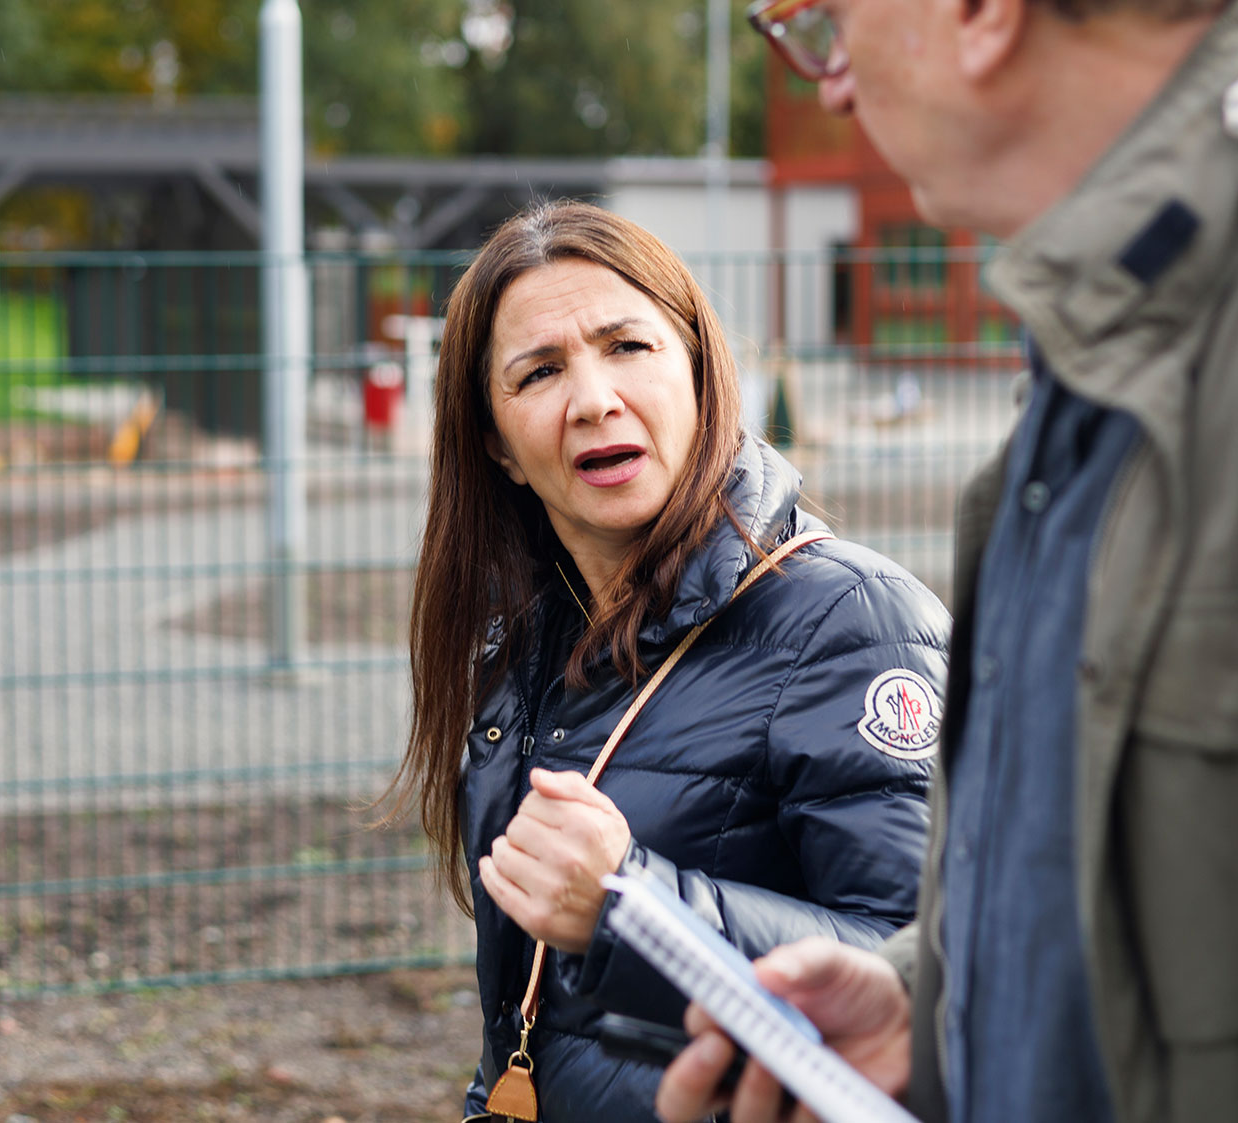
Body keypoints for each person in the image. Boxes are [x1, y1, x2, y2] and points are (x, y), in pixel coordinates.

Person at [658, 0, 1238, 1120]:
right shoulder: (1095, 361)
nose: (829, 83)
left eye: (824, 20)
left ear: (978, 13)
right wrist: (931, 1004)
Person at [381, 200, 952, 1122]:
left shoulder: (854, 622)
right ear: (498, 444)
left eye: (628, 347)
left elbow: (929, 960)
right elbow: (531, 1011)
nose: (595, 398)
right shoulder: (521, 637)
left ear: (695, 366)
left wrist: (634, 906)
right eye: (539, 371)